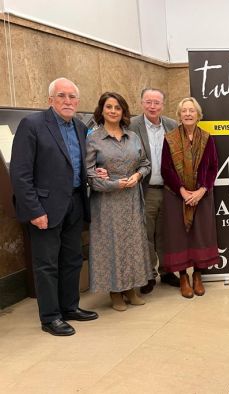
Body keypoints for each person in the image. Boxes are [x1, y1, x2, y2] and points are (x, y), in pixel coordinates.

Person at [10, 78, 99, 336]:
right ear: (50, 99)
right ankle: (50, 317)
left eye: (72, 97)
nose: (68, 101)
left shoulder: (81, 128)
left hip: (74, 203)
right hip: (45, 207)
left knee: (71, 259)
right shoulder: (33, 125)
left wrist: (95, 172)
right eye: (62, 96)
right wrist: (34, 210)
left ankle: (70, 307)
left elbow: (79, 165)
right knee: (47, 263)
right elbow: (20, 172)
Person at [86, 92, 152, 311]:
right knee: (112, 244)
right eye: (109, 107)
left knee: (132, 243)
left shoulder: (132, 136)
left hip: (132, 198)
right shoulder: (93, 138)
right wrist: (114, 184)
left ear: (123, 111)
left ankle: (131, 289)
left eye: (117, 107)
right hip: (107, 202)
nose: (113, 111)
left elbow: (145, 164)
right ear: (102, 110)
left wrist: (138, 175)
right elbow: (89, 175)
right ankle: (114, 292)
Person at [161, 97, 219, 298]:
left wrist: (202, 190)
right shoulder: (169, 138)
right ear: (179, 115)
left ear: (198, 114)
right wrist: (183, 192)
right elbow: (166, 169)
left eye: (191, 111)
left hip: (201, 196)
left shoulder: (207, 138)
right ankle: (183, 277)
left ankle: (198, 276)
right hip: (177, 196)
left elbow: (213, 167)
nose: (187, 114)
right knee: (179, 237)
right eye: (184, 111)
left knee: (200, 235)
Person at [129, 88, 180, 294]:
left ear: (163, 105)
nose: (152, 106)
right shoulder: (132, 126)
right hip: (145, 189)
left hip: (169, 190)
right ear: (141, 103)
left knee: (167, 233)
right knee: (146, 233)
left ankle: (167, 270)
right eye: (148, 102)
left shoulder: (172, 125)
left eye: (157, 103)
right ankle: (148, 274)